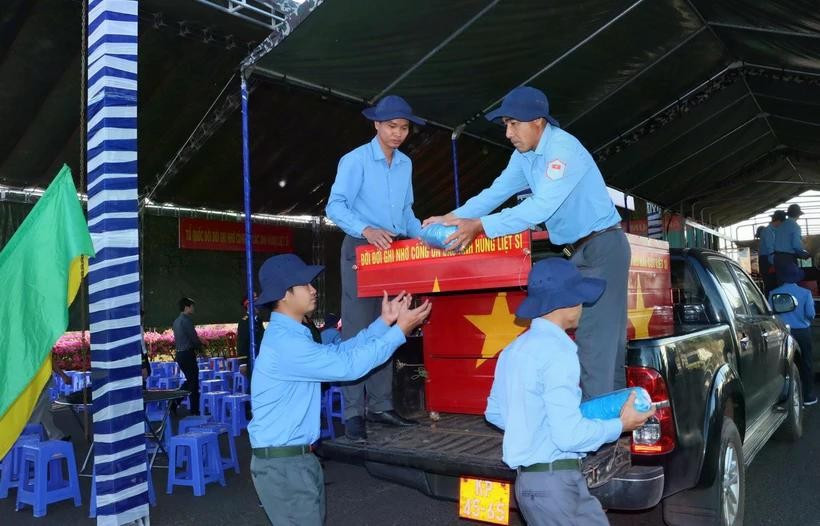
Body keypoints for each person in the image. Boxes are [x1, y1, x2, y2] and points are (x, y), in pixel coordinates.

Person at [425, 86, 630, 399]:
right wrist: (451, 217)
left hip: (603, 248)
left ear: (538, 122)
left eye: (513, 124)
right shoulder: (524, 156)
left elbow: (541, 207)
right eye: (506, 124)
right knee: (601, 347)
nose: (508, 133)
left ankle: (595, 436)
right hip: (581, 251)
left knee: (595, 344)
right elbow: (494, 194)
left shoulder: (562, 151)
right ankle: (610, 426)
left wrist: (480, 226)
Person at [248, 253, 431, 525]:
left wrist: (384, 323)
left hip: (291, 462)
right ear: (284, 295)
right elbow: (348, 367)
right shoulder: (286, 343)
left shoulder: (292, 336)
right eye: (305, 285)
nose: (313, 290)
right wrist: (398, 332)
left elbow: (340, 353)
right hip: (285, 466)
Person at [485, 258, 655, 526]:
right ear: (567, 302)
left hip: (528, 486)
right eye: (580, 298)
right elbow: (569, 436)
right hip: (557, 487)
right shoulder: (559, 351)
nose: (582, 306)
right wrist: (621, 424)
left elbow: (495, 411)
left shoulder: (513, 350)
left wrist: (537, 427)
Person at [326, 94, 426, 440]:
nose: (398, 133)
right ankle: (354, 411)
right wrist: (366, 229)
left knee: (389, 326)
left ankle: (381, 405)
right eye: (391, 126)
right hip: (361, 247)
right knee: (356, 327)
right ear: (376, 125)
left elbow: (407, 215)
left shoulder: (406, 165)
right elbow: (335, 206)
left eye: (404, 127)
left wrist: (430, 237)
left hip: (394, 250)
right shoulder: (354, 161)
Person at [769, 263, 817, 406]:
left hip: (782, 332)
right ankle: (808, 397)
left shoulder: (773, 294)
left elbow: (770, 314)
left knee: (783, 364)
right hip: (802, 332)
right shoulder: (805, 293)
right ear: (797, 278)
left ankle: (785, 398)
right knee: (806, 363)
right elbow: (810, 314)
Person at [28, 352, 71, 441]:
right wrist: (63, 375)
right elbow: (49, 359)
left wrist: (63, 375)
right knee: (38, 411)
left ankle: (56, 436)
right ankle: (29, 436)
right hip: (37, 380)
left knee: (43, 410)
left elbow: (49, 359)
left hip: (38, 379)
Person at [172, 297, 202, 415]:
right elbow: (193, 338)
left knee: (190, 380)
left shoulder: (176, 321)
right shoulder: (187, 320)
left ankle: (175, 401)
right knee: (193, 383)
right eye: (192, 306)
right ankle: (194, 411)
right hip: (188, 354)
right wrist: (201, 348)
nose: (193, 308)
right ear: (186, 307)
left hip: (180, 354)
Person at [773, 203, 810, 273]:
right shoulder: (795, 226)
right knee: (791, 280)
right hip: (788, 259)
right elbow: (796, 246)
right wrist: (805, 255)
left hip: (777, 258)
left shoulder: (781, 225)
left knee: (781, 282)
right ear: (798, 215)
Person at [756, 211, 784, 293]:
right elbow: (770, 249)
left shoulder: (772, 231)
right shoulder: (768, 231)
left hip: (768, 260)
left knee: (772, 286)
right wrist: (775, 263)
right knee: (771, 287)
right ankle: (770, 304)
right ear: (779, 221)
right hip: (767, 261)